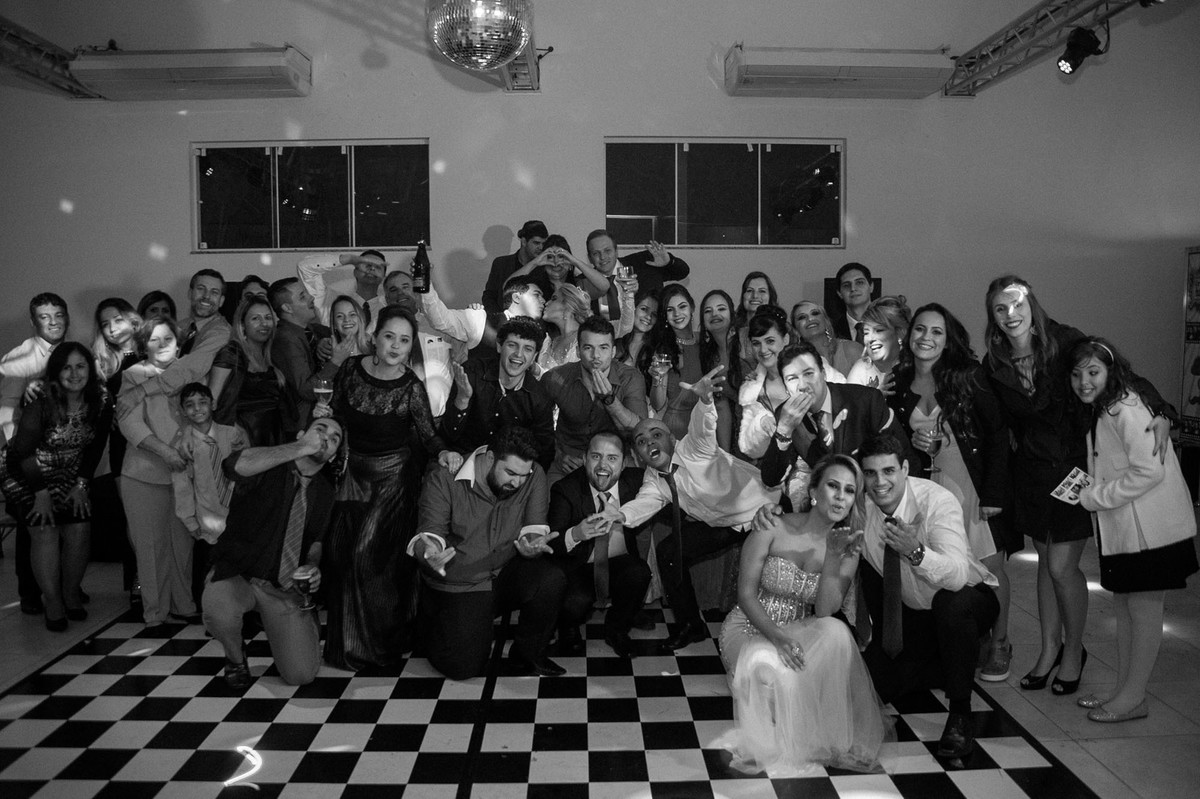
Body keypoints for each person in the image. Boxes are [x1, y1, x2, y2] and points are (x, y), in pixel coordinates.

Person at [981, 276, 1175, 697]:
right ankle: (1049, 649)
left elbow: (1117, 374)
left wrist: (1162, 410)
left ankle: (1073, 652)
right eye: (1000, 308)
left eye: (1017, 304)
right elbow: (995, 424)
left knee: (1060, 568)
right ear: (992, 316)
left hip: (1077, 470)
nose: (1011, 314)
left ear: (1031, 304)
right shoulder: (994, 363)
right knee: (1046, 564)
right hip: (1033, 475)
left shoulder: (1065, 341)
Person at [719, 455, 887, 775]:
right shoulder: (772, 525)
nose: (840, 497)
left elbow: (824, 611)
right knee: (773, 677)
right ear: (813, 491)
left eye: (849, 491)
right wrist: (778, 638)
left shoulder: (847, 547)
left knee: (836, 631)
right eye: (833, 486)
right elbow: (745, 595)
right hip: (750, 626)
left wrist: (833, 557)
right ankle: (758, 689)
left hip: (799, 630)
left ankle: (829, 738)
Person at [597, 366, 781, 651]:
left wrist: (705, 400)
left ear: (672, 438)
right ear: (638, 455)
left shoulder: (695, 448)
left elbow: (702, 426)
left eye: (656, 435)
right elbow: (644, 503)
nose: (650, 443)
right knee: (670, 552)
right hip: (724, 524)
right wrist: (620, 515)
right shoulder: (654, 478)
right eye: (642, 442)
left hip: (767, 509)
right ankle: (691, 626)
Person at [318, 305, 461, 670]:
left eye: (404, 340)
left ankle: (375, 650)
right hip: (352, 474)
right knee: (338, 553)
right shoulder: (351, 369)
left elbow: (428, 435)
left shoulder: (411, 387)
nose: (396, 346)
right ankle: (344, 646)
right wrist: (323, 418)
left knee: (363, 556)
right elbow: (335, 412)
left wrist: (444, 452)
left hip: (393, 479)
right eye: (389, 337)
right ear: (374, 337)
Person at [1069, 338, 1198, 722]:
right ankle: (1124, 690)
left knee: (1142, 610)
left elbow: (1149, 471)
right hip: (1130, 531)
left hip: (1153, 532)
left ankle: (1133, 695)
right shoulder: (1104, 406)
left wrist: (1095, 497)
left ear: (1111, 370)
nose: (1084, 382)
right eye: (1076, 374)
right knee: (1126, 608)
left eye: (1093, 372)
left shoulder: (1126, 407)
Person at [890, 303, 1016, 682]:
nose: (926, 338)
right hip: (931, 490)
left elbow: (998, 434)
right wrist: (911, 441)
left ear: (948, 341)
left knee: (989, 567)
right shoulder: (898, 380)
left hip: (971, 484)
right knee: (948, 567)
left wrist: (994, 494)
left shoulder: (968, 376)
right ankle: (964, 641)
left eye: (936, 332)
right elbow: (894, 441)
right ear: (909, 335)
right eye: (920, 329)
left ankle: (1000, 643)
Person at [854, 434, 999, 758]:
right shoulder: (862, 509)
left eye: (888, 471)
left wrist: (916, 552)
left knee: (951, 604)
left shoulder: (936, 501)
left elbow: (958, 576)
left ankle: (960, 713)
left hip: (969, 600)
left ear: (905, 469)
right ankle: (939, 664)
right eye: (871, 473)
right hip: (915, 617)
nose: (880, 482)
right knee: (878, 684)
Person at [410, 426, 565, 680]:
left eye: (523, 475)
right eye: (510, 473)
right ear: (490, 458)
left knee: (550, 578)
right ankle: (434, 621)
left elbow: (534, 526)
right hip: (462, 580)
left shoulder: (534, 474)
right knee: (463, 667)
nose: (517, 482)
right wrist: (430, 553)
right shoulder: (444, 478)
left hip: (503, 570)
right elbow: (430, 533)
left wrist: (531, 545)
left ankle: (527, 654)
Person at [203, 417, 345, 689]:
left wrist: (313, 566)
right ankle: (235, 657)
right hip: (239, 575)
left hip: (283, 587)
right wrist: (300, 448)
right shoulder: (269, 465)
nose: (326, 438)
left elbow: (316, 542)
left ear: (333, 456)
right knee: (218, 611)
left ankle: (303, 620)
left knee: (301, 675)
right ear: (302, 434)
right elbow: (233, 465)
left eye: (334, 438)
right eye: (320, 430)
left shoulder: (325, 493)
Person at [2, 342, 111, 631]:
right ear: (55, 371)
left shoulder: (101, 399)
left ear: (90, 369)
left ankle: (70, 593)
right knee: (45, 528)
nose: (74, 374)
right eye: (66, 367)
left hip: (70, 471)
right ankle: (52, 601)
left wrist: (82, 484)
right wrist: (41, 494)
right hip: (28, 472)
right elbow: (23, 452)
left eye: (80, 366)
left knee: (80, 526)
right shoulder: (41, 400)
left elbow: (97, 445)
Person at [753, 341, 912, 506]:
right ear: (786, 387)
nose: (802, 386)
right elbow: (772, 479)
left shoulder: (865, 401)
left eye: (809, 374)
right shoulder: (786, 414)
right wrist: (784, 431)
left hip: (874, 499)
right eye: (792, 378)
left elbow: (904, 457)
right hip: (830, 506)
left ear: (823, 374)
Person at [118, 317, 197, 631]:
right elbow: (129, 423)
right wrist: (166, 453)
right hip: (144, 475)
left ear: (178, 344)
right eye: (154, 340)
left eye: (168, 339)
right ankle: (155, 613)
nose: (162, 345)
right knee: (151, 547)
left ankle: (184, 605)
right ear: (144, 346)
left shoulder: (191, 373)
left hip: (185, 474)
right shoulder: (134, 375)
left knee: (183, 545)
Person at [547, 432, 651, 658]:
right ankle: (568, 628)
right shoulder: (565, 489)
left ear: (624, 463)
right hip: (579, 564)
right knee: (576, 601)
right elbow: (552, 544)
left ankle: (617, 630)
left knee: (640, 573)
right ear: (585, 459)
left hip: (619, 561)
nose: (603, 465)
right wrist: (576, 533)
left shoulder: (637, 481)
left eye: (612, 458)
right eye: (596, 456)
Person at [0, 292, 69, 616]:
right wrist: (22, 459)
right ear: (33, 321)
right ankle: (30, 593)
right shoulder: (20, 358)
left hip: (60, 454)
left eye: (58, 315)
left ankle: (61, 588)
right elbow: (6, 414)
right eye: (45, 317)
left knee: (59, 523)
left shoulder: (70, 353)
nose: (53, 322)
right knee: (33, 527)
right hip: (25, 456)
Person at [170, 382, 249, 609]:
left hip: (236, 512)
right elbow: (182, 486)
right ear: (183, 411)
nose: (197, 409)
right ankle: (207, 611)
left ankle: (242, 609)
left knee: (240, 565)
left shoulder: (231, 434)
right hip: (207, 515)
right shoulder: (183, 445)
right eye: (190, 405)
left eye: (202, 402)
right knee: (207, 568)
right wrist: (189, 519)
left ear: (213, 404)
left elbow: (248, 466)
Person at [541, 317, 647, 483]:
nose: (595, 356)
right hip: (569, 462)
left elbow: (640, 430)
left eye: (603, 348)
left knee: (636, 491)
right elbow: (538, 426)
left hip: (616, 461)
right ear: (578, 351)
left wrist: (610, 401)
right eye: (588, 348)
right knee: (551, 496)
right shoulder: (556, 377)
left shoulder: (630, 378)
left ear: (613, 351)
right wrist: (558, 454)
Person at [116, 270, 231, 421]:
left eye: (214, 292)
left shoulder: (221, 332)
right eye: (201, 289)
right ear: (190, 293)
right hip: (161, 408)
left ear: (221, 301)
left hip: (192, 415)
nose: (206, 296)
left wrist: (140, 391)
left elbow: (188, 368)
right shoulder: (182, 326)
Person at [441, 317, 555, 469]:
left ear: (534, 356)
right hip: (463, 460)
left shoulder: (539, 397)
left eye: (528, 349)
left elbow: (544, 452)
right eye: (512, 345)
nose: (518, 354)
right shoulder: (472, 372)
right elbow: (447, 435)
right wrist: (462, 400)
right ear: (499, 346)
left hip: (507, 471)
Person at [91, 298, 142, 605]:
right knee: (133, 517)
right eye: (105, 324)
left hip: (156, 441)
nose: (112, 328)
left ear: (132, 319)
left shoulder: (153, 348)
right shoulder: (101, 362)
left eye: (117, 319)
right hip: (123, 447)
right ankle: (139, 579)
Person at [209, 296, 295, 446]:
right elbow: (211, 401)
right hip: (241, 441)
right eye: (255, 318)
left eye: (268, 317)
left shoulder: (273, 356)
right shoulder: (231, 353)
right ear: (242, 325)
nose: (264, 323)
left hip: (273, 439)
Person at [268, 277, 330, 425]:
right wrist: (336, 361)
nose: (311, 298)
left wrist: (325, 343)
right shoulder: (285, 339)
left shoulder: (314, 331)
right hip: (302, 423)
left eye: (307, 293)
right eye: (302, 297)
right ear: (287, 308)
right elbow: (307, 390)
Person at [646, 285, 704, 440]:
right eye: (670, 310)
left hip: (705, 423)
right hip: (676, 430)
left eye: (682, 306)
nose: (677, 314)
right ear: (665, 316)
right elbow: (658, 404)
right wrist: (658, 378)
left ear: (692, 307)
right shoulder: (663, 350)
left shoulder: (704, 342)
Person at [737, 308, 794, 460]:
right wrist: (761, 423)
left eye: (770, 341)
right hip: (775, 468)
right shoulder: (751, 390)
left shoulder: (810, 370)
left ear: (786, 339)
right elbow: (747, 447)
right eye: (756, 343)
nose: (763, 350)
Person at [585, 230, 690, 312]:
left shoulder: (643, 262)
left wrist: (669, 262)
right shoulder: (583, 283)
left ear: (616, 251)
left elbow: (682, 272)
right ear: (590, 258)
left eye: (607, 251)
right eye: (596, 253)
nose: (603, 257)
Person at [297, 249, 389, 329]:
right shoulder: (330, 300)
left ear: (383, 276)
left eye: (378, 267)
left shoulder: (387, 312)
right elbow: (304, 267)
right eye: (367, 265)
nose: (372, 269)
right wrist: (350, 259)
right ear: (355, 272)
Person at [481, 220, 548, 315]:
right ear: (524, 241)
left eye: (543, 244)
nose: (541, 247)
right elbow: (489, 295)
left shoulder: (544, 268)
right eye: (536, 243)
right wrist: (498, 318)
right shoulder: (501, 264)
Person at [698, 289, 737, 452]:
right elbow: (721, 405)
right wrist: (725, 454)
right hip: (738, 432)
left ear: (732, 315)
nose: (715, 314)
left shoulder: (746, 344)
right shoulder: (708, 356)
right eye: (708, 311)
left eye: (721, 309)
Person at [847, 295, 910, 392]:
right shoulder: (861, 368)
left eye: (879, 330)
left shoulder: (915, 368)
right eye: (866, 333)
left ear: (900, 333)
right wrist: (876, 397)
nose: (870, 339)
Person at [791, 300, 864, 379]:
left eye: (815, 313)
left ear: (826, 321)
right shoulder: (794, 362)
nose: (810, 319)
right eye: (802, 317)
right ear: (795, 330)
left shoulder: (852, 349)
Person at [729, 273, 779, 384]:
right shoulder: (732, 330)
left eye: (762, 291)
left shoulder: (782, 328)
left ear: (770, 296)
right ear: (743, 296)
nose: (755, 296)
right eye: (749, 290)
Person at [616, 288, 658, 369]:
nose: (648, 317)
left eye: (654, 314)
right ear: (633, 307)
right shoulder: (615, 338)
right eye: (644, 309)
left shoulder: (657, 349)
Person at [831, 262, 874, 343]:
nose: (853, 288)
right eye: (846, 285)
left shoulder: (889, 323)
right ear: (839, 293)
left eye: (859, 282)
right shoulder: (831, 331)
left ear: (871, 286)